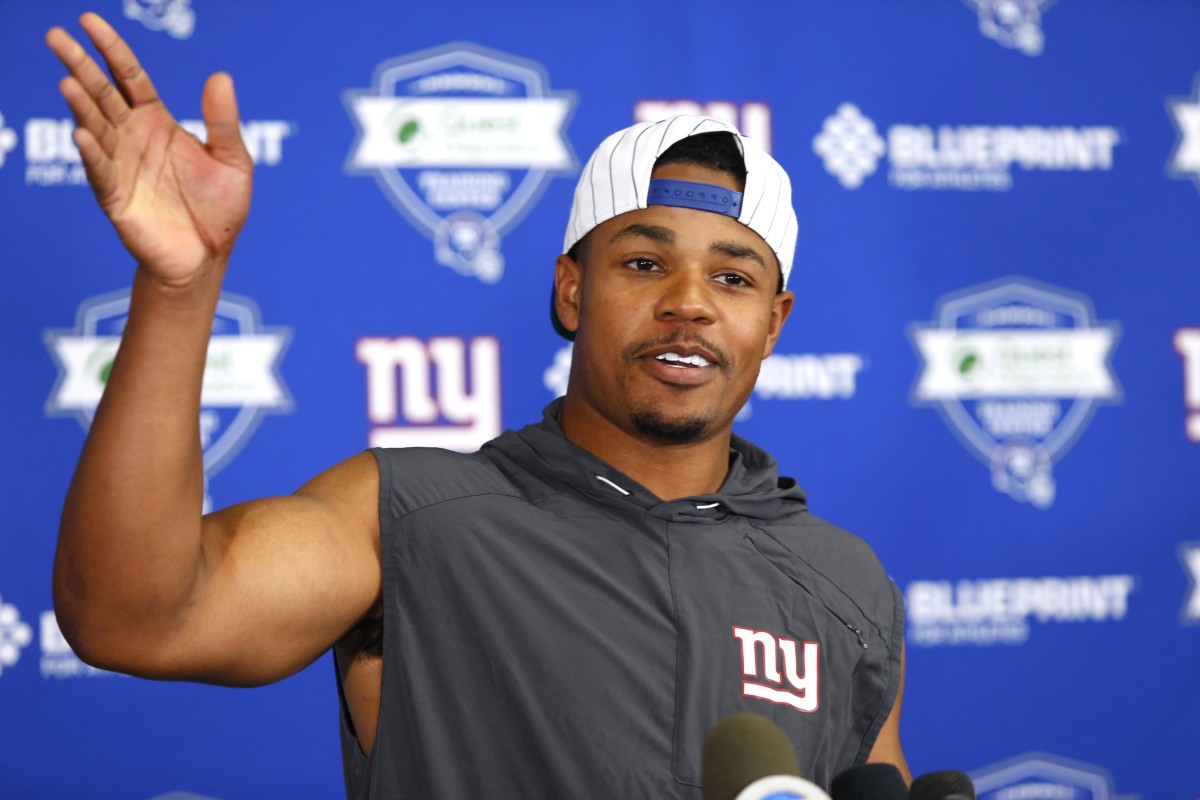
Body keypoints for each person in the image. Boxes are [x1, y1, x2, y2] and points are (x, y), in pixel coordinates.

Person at [46, 12, 909, 798]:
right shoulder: (412, 518)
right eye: (644, 264)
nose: (690, 302)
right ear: (573, 290)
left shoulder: (844, 583)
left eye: (733, 277)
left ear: (774, 323)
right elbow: (134, 616)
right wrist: (179, 287)